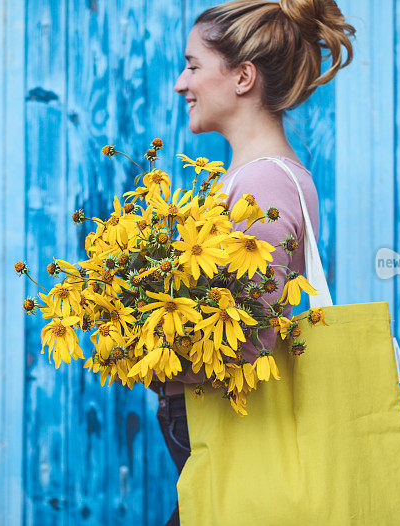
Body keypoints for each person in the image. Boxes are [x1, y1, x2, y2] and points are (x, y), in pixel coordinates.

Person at [150, 0, 355, 524]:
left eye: (193, 65)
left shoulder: (261, 182)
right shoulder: (256, 177)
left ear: (243, 76)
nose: (180, 83)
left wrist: (154, 350)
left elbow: (245, 340)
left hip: (229, 428)